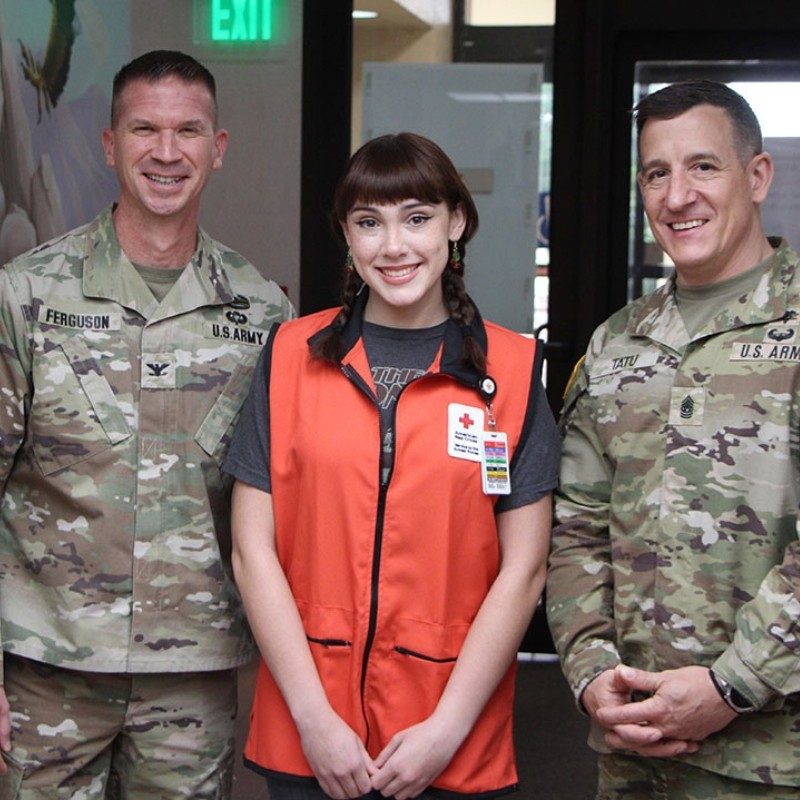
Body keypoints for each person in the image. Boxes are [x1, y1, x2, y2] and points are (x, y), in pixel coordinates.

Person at [224, 132, 559, 800]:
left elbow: (524, 571)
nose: (394, 246)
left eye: (417, 218)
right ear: (347, 236)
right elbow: (250, 549)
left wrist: (448, 727)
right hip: (310, 733)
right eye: (369, 223)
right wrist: (314, 719)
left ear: (455, 222)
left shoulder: (512, 373)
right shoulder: (293, 354)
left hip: (449, 736)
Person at [0, 50, 293, 799]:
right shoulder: (27, 296)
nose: (167, 152)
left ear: (217, 149)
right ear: (109, 144)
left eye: (188, 131)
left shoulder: (262, 315)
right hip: (45, 669)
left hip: (191, 681)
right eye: (144, 129)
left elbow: (280, 512)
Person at [547, 79, 800, 798]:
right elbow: (577, 528)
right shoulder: (618, 345)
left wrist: (733, 685)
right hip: (633, 755)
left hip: (770, 763)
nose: (677, 195)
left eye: (703, 166)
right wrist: (591, 671)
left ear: (757, 176)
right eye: (657, 173)